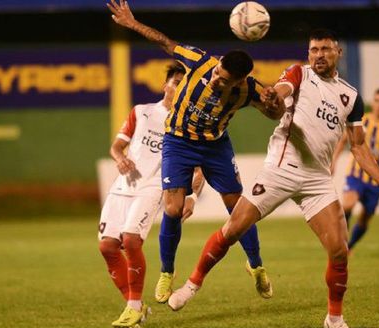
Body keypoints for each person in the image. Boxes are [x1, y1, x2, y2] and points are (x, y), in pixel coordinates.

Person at [168, 29, 379, 328]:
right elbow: (280, 90)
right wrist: (273, 97)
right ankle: (192, 285)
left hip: (317, 179)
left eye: (325, 49)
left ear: (338, 53)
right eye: (314, 49)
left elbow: (358, 146)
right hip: (281, 169)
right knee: (233, 229)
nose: (318, 54)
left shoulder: (351, 97)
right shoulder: (299, 73)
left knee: (338, 250)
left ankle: (334, 319)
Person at [107, 0, 284, 303]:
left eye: (224, 80)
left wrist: (274, 103)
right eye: (217, 72)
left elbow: (274, 115)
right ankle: (167, 273)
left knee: (238, 209)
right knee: (173, 209)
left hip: (215, 146)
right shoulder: (199, 61)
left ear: (239, 81)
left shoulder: (248, 90)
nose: (216, 79)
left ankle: (256, 265)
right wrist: (131, 22)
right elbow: (165, 42)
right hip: (178, 141)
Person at [98, 63, 205, 328]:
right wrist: (120, 158)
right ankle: (135, 306)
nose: (179, 86)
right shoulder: (142, 112)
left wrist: (191, 197)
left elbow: (199, 167)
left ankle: (133, 308)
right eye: (175, 81)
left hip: (154, 187)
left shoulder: (190, 124)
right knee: (108, 247)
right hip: (123, 185)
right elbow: (116, 146)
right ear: (164, 85)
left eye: (184, 83)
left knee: (131, 240)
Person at [332, 88, 379, 251]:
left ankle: (349, 247)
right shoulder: (362, 121)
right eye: (377, 100)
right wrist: (333, 162)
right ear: (373, 102)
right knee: (348, 206)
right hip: (355, 175)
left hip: (378, 181)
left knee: (364, 219)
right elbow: (343, 141)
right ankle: (341, 242)